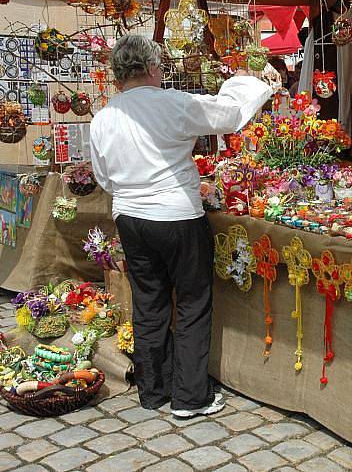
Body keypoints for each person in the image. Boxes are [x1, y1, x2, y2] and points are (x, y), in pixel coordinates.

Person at [89, 35, 272, 418]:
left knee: (149, 302)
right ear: (154, 67)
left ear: (119, 75)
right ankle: (190, 397)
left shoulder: (104, 117)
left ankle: (154, 390)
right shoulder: (172, 102)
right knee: (191, 303)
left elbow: (103, 177)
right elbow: (230, 114)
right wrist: (245, 79)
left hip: (131, 218)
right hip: (175, 215)